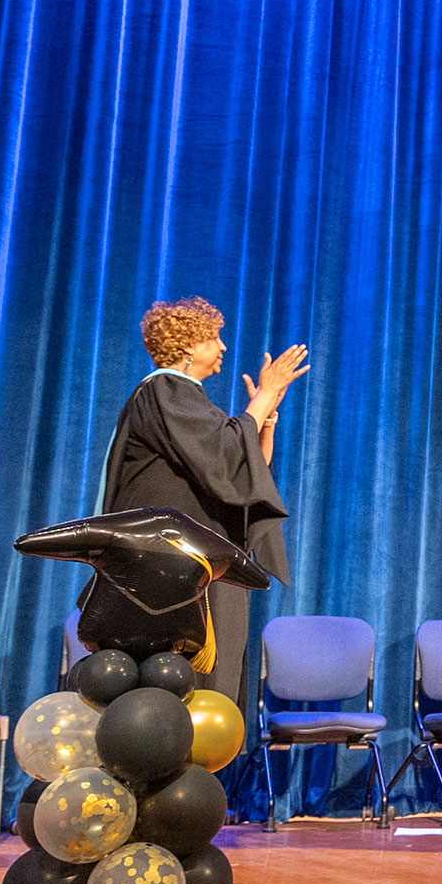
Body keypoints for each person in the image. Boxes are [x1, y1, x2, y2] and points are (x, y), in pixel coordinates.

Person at [99, 297, 308, 711]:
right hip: (172, 569)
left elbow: (239, 474)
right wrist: (263, 395)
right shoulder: (164, 390)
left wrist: (263, 421)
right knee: (180, 689)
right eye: (215, 338)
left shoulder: (184, 401)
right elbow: (226, 454)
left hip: (200, 564)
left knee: (215, 684)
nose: (224, 348)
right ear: (190, 346)